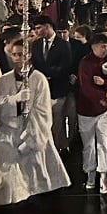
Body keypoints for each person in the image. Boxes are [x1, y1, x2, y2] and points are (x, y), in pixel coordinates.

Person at [0, 33, 71, 214]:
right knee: (8, 182)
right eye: (14, 55)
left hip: (33, 134)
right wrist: (13, 101)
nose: (18, 59)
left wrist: (32, 136)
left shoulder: (39, 79)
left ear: (29, 56)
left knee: (33, 179)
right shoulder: (4, 79)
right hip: (8, 134)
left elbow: (43, 111)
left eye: (21, 54)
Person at [75, 32, 107, 193]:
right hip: (86, 111)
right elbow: (86, 88)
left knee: (103, 143)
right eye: (102, 46)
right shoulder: (85, 63)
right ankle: (90, 175)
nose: (105, 50)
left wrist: (106, 83)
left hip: (103, 110)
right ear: (93, 47)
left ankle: (103, 177)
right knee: (89, 145)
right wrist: (103, 95)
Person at [30, 14, 73, 154]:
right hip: (42, 91)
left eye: (38, 28)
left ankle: (58, 148)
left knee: (57, 121)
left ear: (47, 27)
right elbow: (35, 65)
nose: (35, 31)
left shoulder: (63, 45)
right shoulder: (36, 45)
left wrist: (48, 73)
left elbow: (65, 68)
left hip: (58, 89)